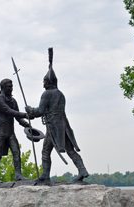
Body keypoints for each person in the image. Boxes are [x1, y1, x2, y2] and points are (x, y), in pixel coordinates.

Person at [25, 48, 89, 182]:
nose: (43, 84)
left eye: (44, 81)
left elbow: (41, 111)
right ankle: (82, 170)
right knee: (70, 151)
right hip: (63, 125)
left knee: (45, 151)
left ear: (48, 82)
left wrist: (30, 110)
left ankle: (45, 175)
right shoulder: (60, 93)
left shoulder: (47, 94)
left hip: (53, 126)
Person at [0, 78, 30, 183]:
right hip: (1, 131)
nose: (11, 88)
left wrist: (25, 123)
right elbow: (9, 111)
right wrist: (25, 115)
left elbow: (17, 117)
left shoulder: (13, 101)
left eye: (12, 86)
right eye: (9, 86)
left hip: (10, 132)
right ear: (3, 87)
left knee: (16, 151)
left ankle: (19, 175)